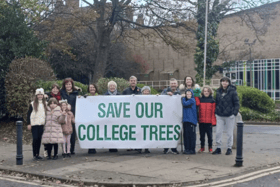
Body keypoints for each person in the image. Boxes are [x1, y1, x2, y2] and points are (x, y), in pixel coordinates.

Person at [213, 77, 240, 155]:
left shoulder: (233, 91)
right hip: (219, 115)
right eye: (223, 81)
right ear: (221, 83)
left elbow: (236, 103)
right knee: (218, 132)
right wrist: (216, 111)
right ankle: (218, 148)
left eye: (226, 81)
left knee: (229, 132)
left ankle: (229, 148)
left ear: (229, 83)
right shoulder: (218, 91)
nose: (224, 83)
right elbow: (216, 102)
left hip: (229, 115)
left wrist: (234, 113)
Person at [194, 85, 216, 153]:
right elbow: (197, 103)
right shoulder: (200, 99)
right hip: (201, 121)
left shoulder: (212, 100)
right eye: (205, 91)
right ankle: (202, 147)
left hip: (209, 121)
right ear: (202, 92)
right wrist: (196, 95)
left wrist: (213, 121)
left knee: (210, 136)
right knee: (202, 136)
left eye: (207, 91)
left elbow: (213, 112)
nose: (206, 92)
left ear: (210, 92)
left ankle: (210, 148)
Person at [27, 88, 47, 161]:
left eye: (41, 94)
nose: (40, 96)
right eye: (38, 94)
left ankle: (37, 154)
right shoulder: (32, 104)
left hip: (41, 124)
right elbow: (28, 114)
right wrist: (28, 123)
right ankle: (34, 154)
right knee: (35, 139)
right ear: (36, 95)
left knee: (39, 139)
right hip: (34, 124)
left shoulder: (45, 103)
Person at [60, 78, 79, 155]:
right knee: (64, 132)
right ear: (64, 85)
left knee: (72, 132)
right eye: (67, 84)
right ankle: (64, 150)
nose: (68, 86)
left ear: (72, 85)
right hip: (64, 114)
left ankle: (71, 149)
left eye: (69, 84)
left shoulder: (75, 93)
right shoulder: (62, 92)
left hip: (72, 114)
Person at [161, 78, 180, 154]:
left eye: (174, 83)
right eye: (172, 83)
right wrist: (166, 95)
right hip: (166, 115)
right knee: (166, 131)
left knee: (175, 132)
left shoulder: (179, 92)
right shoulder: (165, 91)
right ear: (170, 84)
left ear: (177, 84)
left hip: (176, 115)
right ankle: (165, 147)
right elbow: (160, 97)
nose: (173, 85)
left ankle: (174, 148)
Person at [104, 81, 120, 152]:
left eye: (113, 86)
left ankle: (115, 146)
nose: (112, 87)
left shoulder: (120, 95)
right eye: (111, 86)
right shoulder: (104, 96)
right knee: (109, 131)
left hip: (117, 116)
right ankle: (110, 146)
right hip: (108, 116)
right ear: (108, 87)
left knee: (116, 131)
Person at [136, 86, 151, 154]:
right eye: (145, 91)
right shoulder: (138, 98)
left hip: (148, 119)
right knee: (140, 133)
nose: (146, 92)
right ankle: (139, 148)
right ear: (142, 92)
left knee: (147, 134)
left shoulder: (152, 98)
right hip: (140, 119)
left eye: (148, 91)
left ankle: (146, 148)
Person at [182, 89, 197, 154]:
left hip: (191, 121)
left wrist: (182, 98)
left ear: (192, 94)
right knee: (186, 135)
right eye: (187, 94)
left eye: (189, 94)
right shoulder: (187, 100)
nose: (188, 95)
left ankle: (192, 149)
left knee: (192, 136)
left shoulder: (192, 100)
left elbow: (185, 104)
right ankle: (187, 148)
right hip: (186, 120)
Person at [85, 83, 99, 154]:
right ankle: (91, 147)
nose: (92, 89)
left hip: (97, 117)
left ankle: (94, 146)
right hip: (89, 117)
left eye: (93, 87)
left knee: (96, 132)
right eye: (90, 88)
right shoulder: (85, 97)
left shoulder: (99, 97)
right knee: (90, 132)